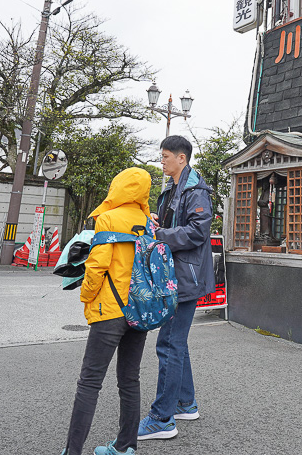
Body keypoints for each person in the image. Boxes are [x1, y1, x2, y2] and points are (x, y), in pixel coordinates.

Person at [61, 167, 152, 455]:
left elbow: (96, 267)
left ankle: (73, 451)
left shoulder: (108, 218)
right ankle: (125, 447)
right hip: (139, 310)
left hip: (109, 310)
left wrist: (86, 297)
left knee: (89, 382)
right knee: (130, 380)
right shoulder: (148, 222)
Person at [137, 135, 213, 441]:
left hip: (185, 277)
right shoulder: (172, 187)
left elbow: (197, 232)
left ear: (182, 158)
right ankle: (185, 403)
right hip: (176, 274)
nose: (162, 161)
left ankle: (162, 418)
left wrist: (161, 235)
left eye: (166, 156)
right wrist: (159, 223)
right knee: (176, 342)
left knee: (169, 344)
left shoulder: (196, 190)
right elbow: (176, 225)